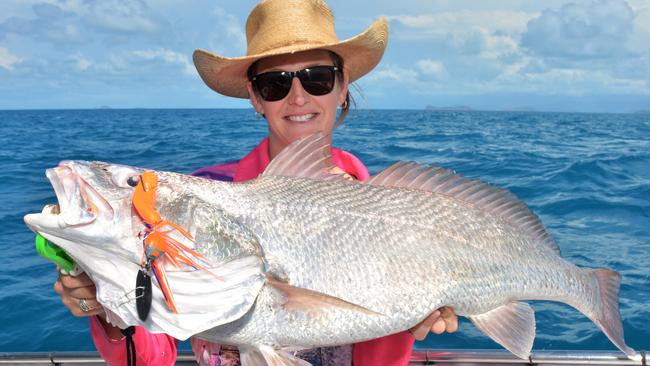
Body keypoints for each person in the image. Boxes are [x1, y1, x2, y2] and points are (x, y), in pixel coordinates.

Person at [53, 0, 458, 365]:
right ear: (255, 97)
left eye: (317, 78)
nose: (297, 97)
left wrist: (429, 312)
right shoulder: (204, 196)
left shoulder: (399, 205)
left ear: (343, 86)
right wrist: (107, 307)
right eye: (275, 83)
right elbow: (151, 357)